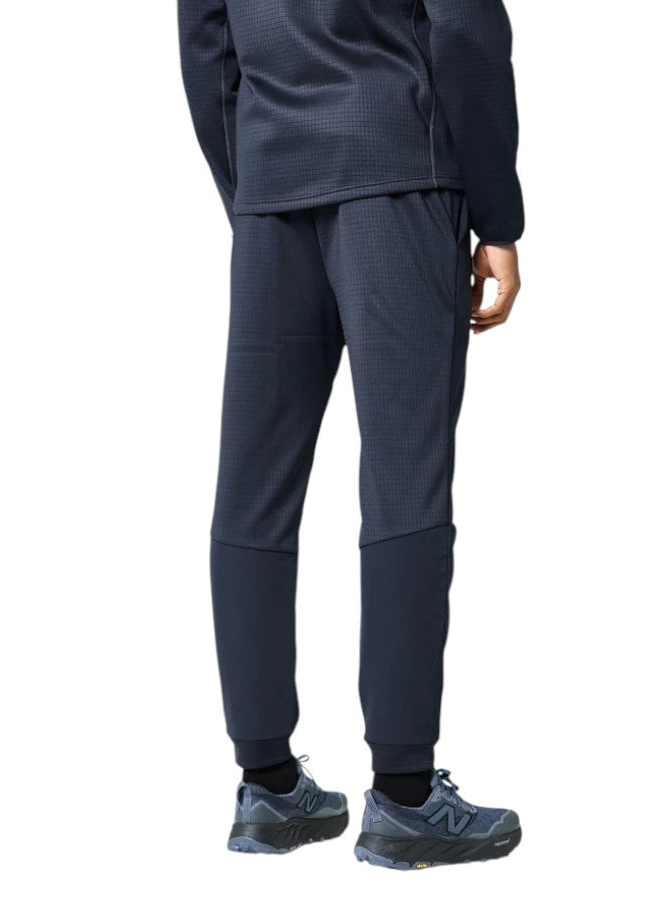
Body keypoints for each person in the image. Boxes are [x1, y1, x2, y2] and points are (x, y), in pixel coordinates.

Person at [178, 0, 524, 869]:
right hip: (397, 169)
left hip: (271, 186)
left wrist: (254, 185)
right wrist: (499, 216)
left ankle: (266, 786)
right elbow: (465, 28)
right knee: (406, 482)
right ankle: (404, 799)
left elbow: (205, 40)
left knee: (253, 487)